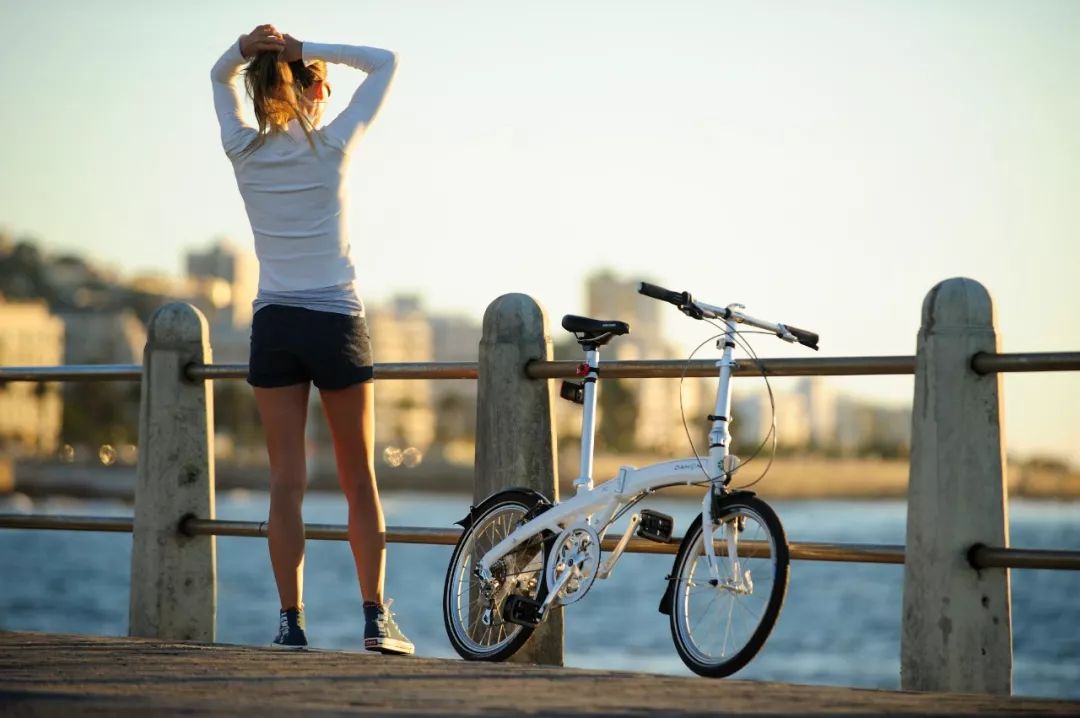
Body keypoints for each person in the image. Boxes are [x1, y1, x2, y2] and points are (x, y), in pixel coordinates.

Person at [210, 24, 412, 655]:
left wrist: (245, 47)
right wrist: (308, 49)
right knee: (359, 481)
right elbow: (385, 61)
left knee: (284, 482)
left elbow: (216, 78)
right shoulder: (332, 147)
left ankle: (290, 622)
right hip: (334, 321)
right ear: (318, 87)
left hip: (275, 325)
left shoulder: (243, 150)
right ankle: (376, 620)